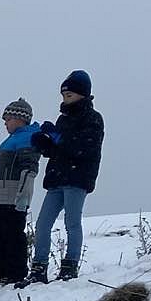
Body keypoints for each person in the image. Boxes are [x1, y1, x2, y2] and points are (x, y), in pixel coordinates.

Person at [27, 71, 105, 283]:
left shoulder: (93, 119)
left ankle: (70, 266)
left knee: (72, 222)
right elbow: (59, 149)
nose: (65, 99)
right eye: (63, 96)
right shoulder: (63, 119)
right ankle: (38, 268)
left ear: (82, 94)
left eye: (69, 95)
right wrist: (44, 144)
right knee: (42, 224)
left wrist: (57, 137)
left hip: (77, 178)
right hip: (57, 178)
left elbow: (84, 148)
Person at [0, 98, 41, 288]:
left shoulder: (28, 138)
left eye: (8, 119)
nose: (5, 123)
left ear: (21, 119)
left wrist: (23, 197)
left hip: (15, 196)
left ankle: (15, 272)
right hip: (1, 197)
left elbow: (29, 170)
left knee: (14, 235)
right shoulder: (10, 140)